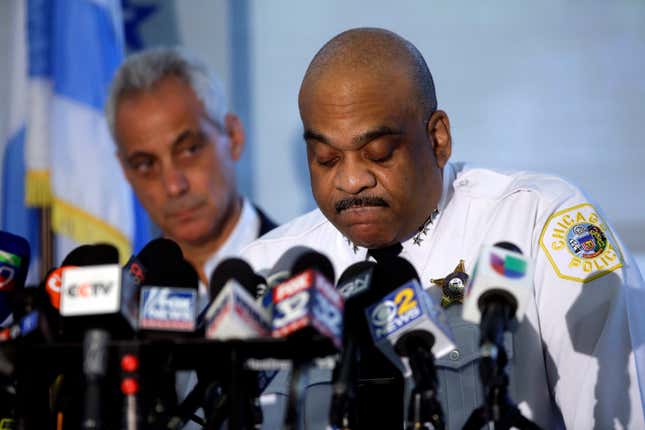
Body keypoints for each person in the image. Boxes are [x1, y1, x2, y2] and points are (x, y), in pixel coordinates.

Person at [241, 28, 645, 429]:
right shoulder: (267, 270)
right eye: (326, 158)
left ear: (438, 139)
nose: (351, 180)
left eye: (378, 154)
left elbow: (618, 416)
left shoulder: (533, 224)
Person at [106, 47, 276, 289]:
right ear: (124, 170)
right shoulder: (124, 304)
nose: (174, 186)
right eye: (145, 165)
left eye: (189, 150)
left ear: (233, 137)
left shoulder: (309, 274)